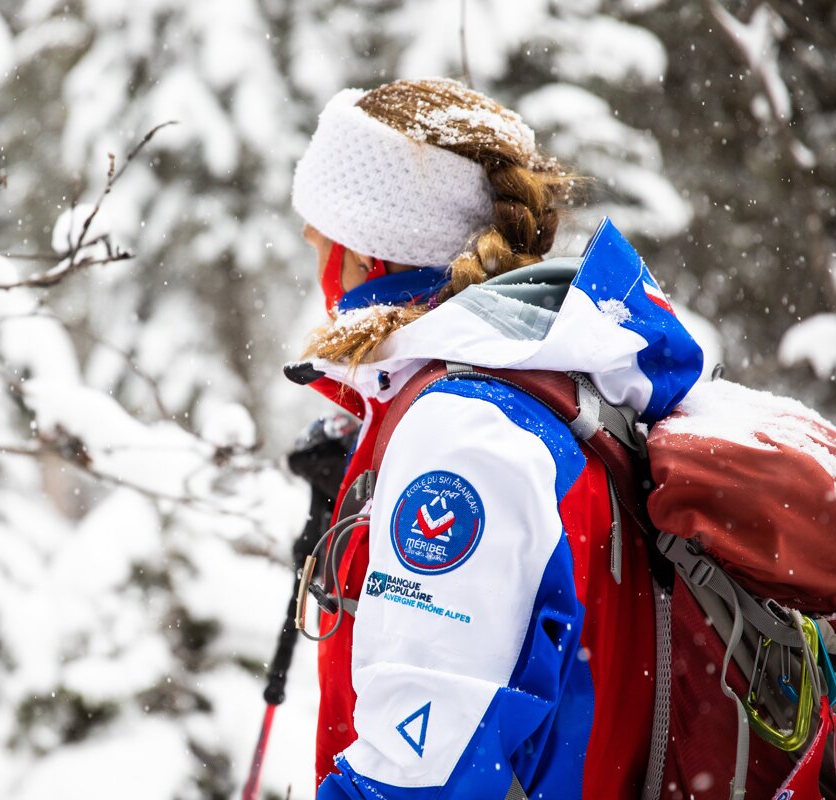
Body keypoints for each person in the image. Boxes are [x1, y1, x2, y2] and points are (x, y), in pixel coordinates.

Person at [285, 78, 705, 799]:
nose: (308, 240)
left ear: (373, 255)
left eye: (324, 226)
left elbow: (423, 778)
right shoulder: (542, 385)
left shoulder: (464, 435)